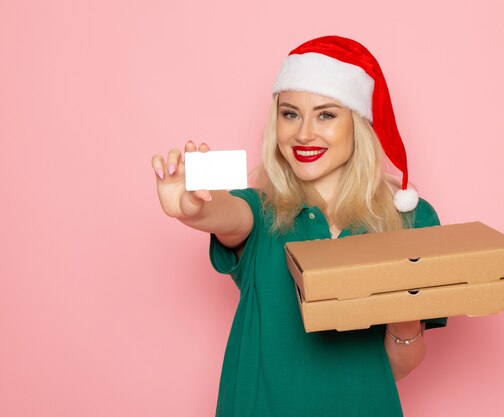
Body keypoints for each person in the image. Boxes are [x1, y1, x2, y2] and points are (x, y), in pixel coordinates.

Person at [151, 35, 447, 417]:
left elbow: (396, 366)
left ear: (358, 123)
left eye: (326, 114)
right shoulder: (261, 211)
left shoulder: (410, 219)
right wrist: (189, 208)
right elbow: (225, 213)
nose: (304, 133)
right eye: (290, 114)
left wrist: (405, 311)